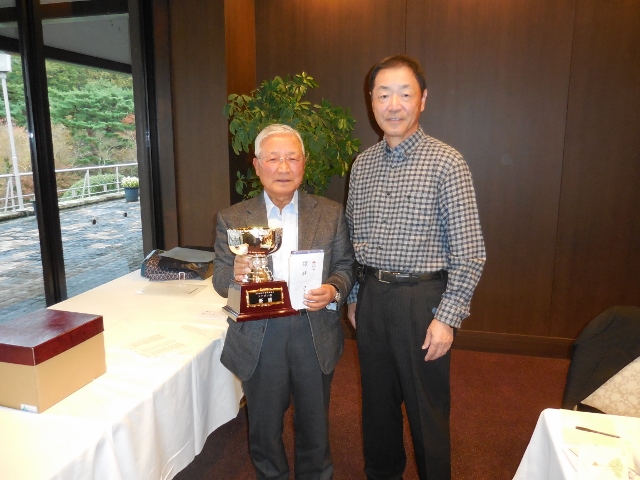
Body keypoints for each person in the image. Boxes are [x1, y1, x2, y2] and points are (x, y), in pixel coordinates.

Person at [346, 55, 486, 480]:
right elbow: (354, 239)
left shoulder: (447, 162)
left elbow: (470, 252)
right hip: (371, 297)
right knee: (377, 407)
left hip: (423, 301)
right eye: (383, 94)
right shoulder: (362, 165)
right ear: (371, 101)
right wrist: (354, 297)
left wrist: (447, 319)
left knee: (427, 410)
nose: (393, 104)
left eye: (404, 94)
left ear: (422, 99)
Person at [213, 123, 354, 479]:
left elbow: (346, 266)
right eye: (273, 159)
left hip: (313, 329)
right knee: (263, 428)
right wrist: (236, 274)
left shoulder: (330, 212)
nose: (283, 167)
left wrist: (335, 289)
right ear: (258, 166)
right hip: (261, 335)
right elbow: (219, 279)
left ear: (303, 164)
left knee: (315, 427)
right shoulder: (233, 218)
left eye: (292, 158)